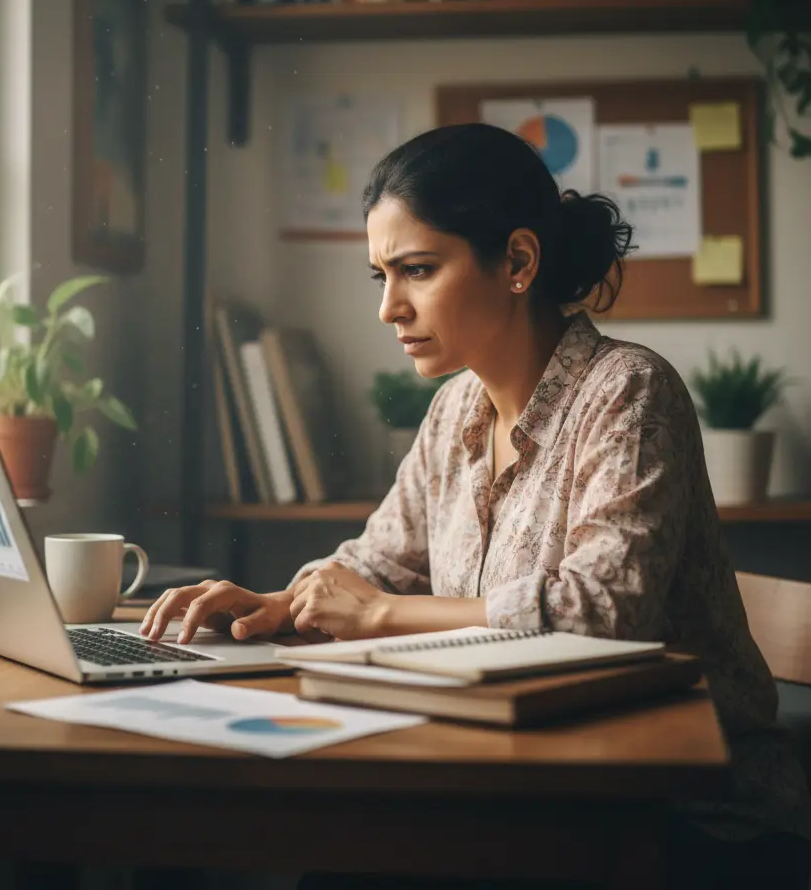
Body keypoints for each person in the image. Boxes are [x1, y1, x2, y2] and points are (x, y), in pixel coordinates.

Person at [142, 124, 811, 888]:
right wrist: (279, 605)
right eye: (381, 276)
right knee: (341, 862)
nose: (389, 308)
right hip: (522, 777)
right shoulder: (454, 409)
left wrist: (380, 616)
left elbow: (602, 611)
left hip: (683, 815)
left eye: (417, 270)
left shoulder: (628, 390)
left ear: (519, 261)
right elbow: (380, 563)